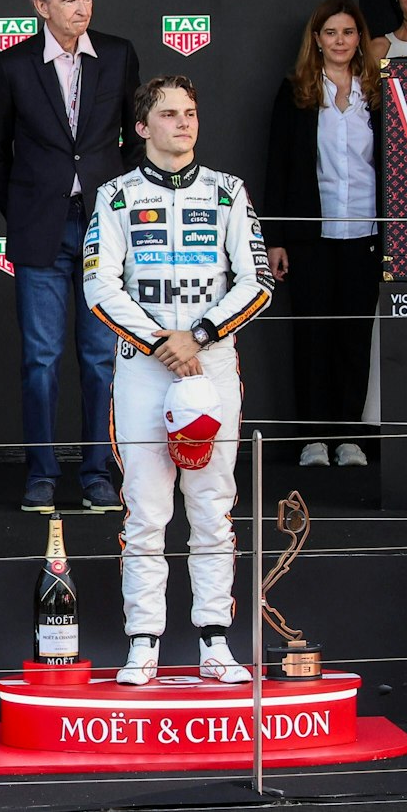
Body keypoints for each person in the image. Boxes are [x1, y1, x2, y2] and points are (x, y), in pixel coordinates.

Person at [84, 75, 274, 686]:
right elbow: (99, 286)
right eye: (168, 114)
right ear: (142, 128)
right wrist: (162, 343)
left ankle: (214, 641)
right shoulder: (115, 196)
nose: (183, 123)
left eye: (190, 112)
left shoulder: (228, 193)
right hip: (145, 367)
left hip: (211, 363)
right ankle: (144, 643)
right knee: (145, 508)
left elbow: (258, 281)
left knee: (212, 506)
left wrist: (200, 335)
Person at [0, 0, 141, 515]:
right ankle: (42, 474)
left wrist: (119, 206)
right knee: (41, 358)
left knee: (101, 358)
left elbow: (137, 138)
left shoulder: (118, 55)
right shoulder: (14, 66)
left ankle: (99, 471)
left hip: (104, 230)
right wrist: (24, 211)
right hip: (39, 230)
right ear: (40, 5)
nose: (82, 9)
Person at [266, 0, 381, 469]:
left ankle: (348, 437)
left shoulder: (375, 93)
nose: (339, 41)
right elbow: (278, 167)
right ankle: (312, 439)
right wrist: (276, 238)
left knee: (353, 340)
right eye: (330, 33)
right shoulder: (295, 91)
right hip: (311, 237)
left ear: (360, 39)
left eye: (348, 33)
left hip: (366, 234)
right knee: (312, 338)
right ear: (316, 39)